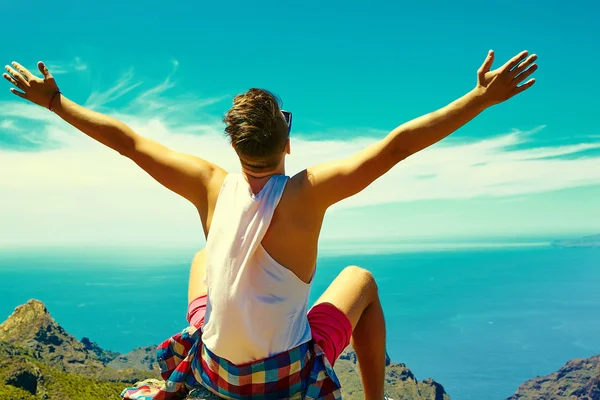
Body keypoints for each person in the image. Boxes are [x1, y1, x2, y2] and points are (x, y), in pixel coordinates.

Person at [4, 49, 537, 400]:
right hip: (283, 378)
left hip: (214, 372)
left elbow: (130, 141)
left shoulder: (209, 183)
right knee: (363, 281)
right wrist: (480, 98)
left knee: (200, 260)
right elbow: (397, 144)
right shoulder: (308, 193)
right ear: (287, 139)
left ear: (234, 147)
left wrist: (55, 102)